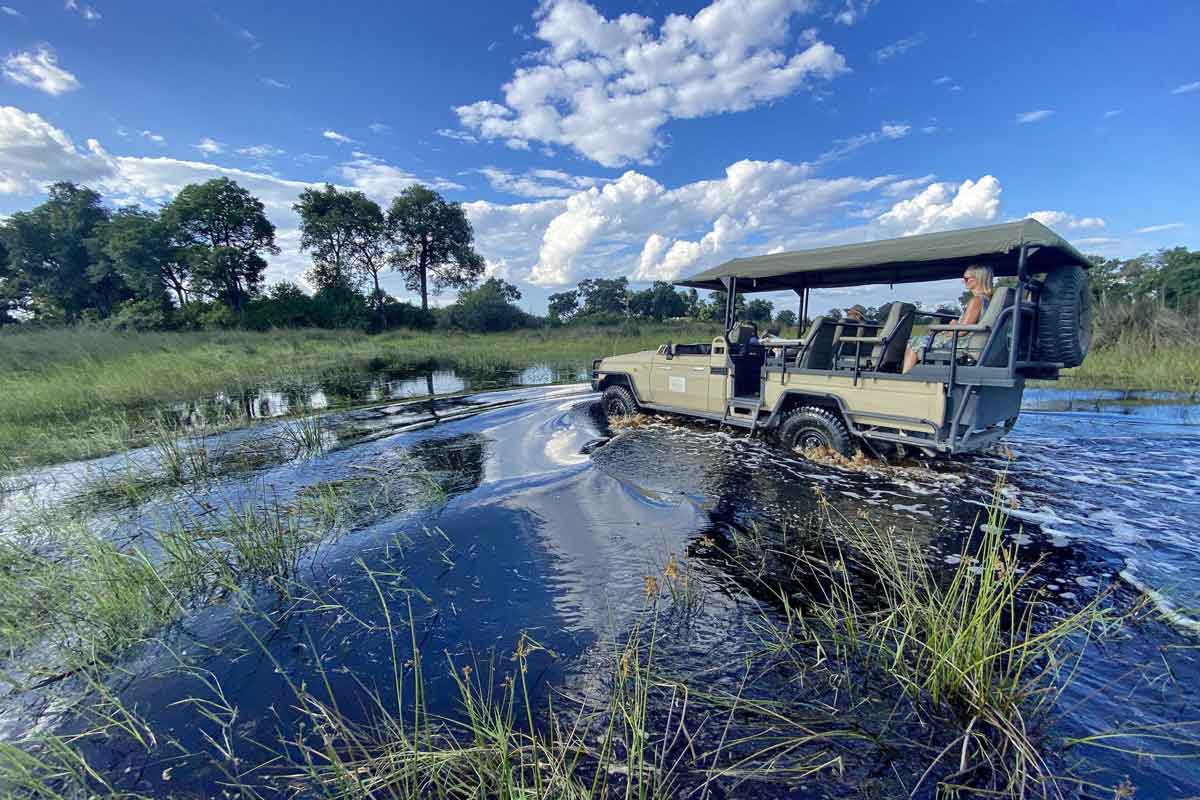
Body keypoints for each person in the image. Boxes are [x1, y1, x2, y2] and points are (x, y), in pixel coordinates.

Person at [903, 264, 994, 372]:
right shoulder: (989, 300)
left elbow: (962, 331)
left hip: (962, 343)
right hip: (972, 340)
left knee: (914, 341)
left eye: (966, 278)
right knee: (924, 338)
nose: (963, 281)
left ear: (978, 279)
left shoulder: (976, 301)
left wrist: (949, 328)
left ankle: (905, 377)